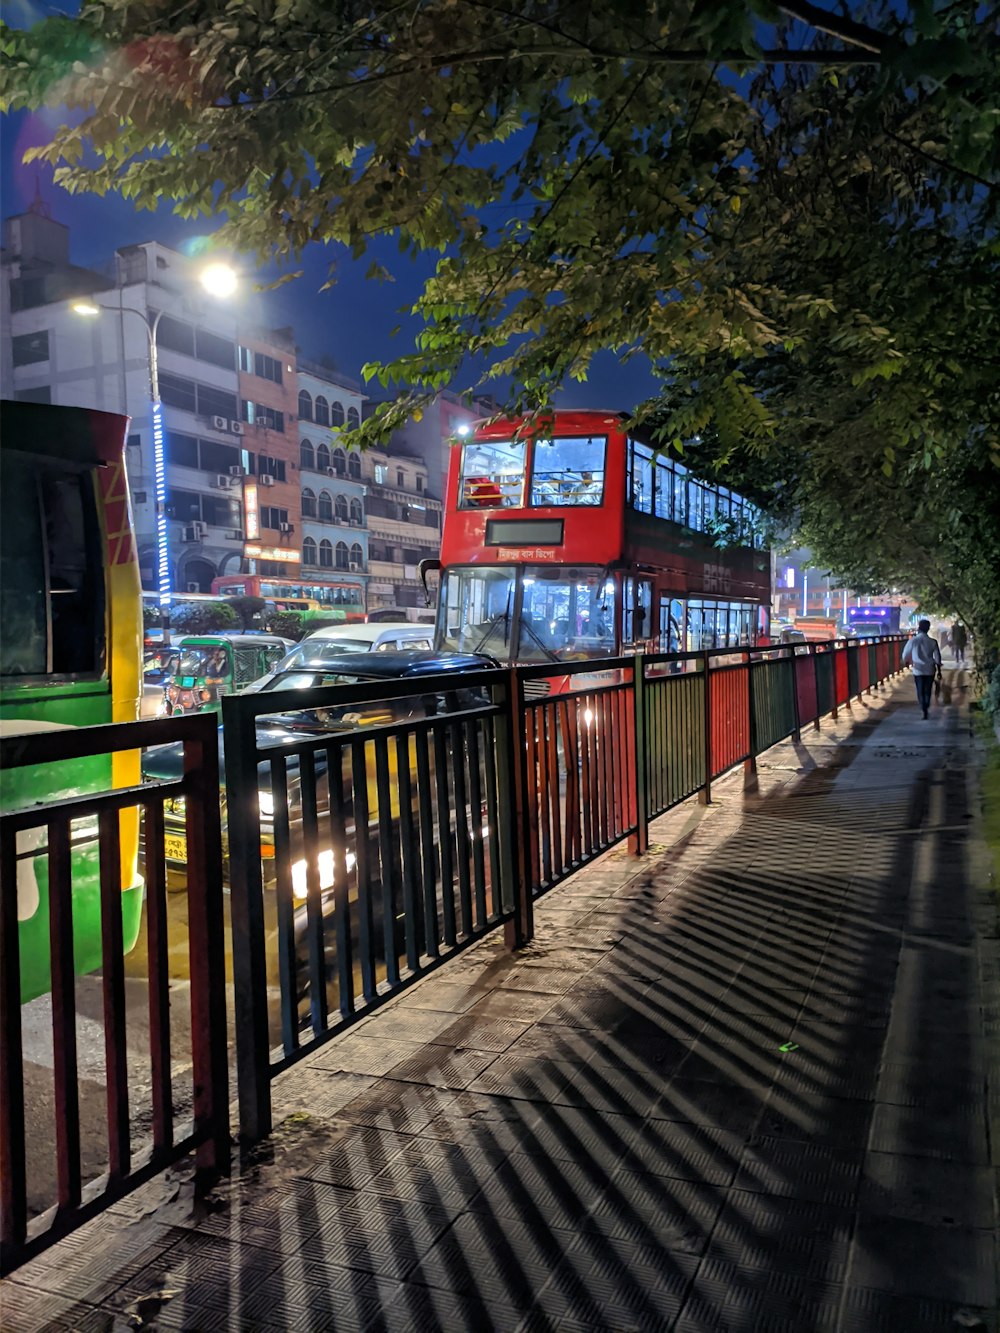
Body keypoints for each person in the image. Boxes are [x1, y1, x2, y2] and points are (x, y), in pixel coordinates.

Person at [901, 619, 942, 719]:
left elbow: (905, 655)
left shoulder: (913, 640)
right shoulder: (933, 642)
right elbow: (937, 657)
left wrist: (906, 662)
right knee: (928, 689)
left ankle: (923, 707)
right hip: (930, 669)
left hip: (918, 669)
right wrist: (939, 671)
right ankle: (926, 705)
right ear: (928, 629)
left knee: (920, 689)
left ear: (919, 628)